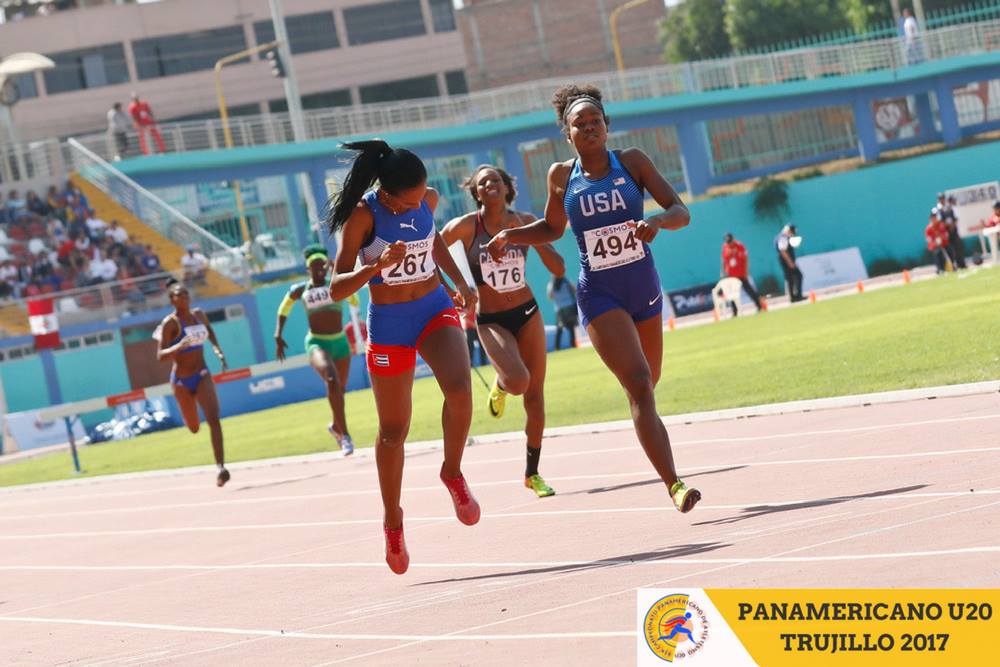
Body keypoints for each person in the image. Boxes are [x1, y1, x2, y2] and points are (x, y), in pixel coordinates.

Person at [486, 84, 701, 514]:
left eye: (595, 122)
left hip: (643, 286)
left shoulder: (633, 162)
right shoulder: (561, 176)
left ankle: (656, 449)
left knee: (647, 385)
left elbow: (681, 211)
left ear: (607, 125)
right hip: (600, 292)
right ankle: (675, 485)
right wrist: (512, 235)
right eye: (579, 124)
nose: (589, 128)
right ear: (566, 133)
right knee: (639, 383)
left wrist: (656, 222)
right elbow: (552, 228)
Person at [327, 139, 481, 575]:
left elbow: (432, 244)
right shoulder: (362, 217)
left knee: (459, 388)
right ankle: (393, 519)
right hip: (390, 323)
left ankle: (452, 472)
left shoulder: (425, 200)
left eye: (420, 199)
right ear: (387, 193)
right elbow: (337, 288)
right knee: (393, 431)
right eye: (404, 203)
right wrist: (374, 266)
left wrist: (459, 282)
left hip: (433, 307)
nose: (413, 207)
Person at [442, 164, 566, 498]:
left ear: (506, 186)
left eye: (495, 180)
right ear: (476, 193)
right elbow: (433, 249)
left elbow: (559, 267)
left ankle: (532, 473)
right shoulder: (467, 227)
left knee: (535, 395)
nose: (489, 186)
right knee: (517, 381)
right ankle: (500, 384)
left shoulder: (523, 221)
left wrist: (532, 239)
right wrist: (456, 286)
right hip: (492, 318)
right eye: (482, 183)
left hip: (527, 312)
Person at [274, 244, 355, 455]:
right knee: (331, 379)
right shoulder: (300, 290)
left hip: (340, 343)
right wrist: (278, 334)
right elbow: (283, 308)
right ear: (308, 269)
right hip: (317, 343)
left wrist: (337, 269)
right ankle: (345, 436)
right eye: (315, 265)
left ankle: (336, 427)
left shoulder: (336, 285)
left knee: (340, 390)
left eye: (323, 265)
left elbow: (354, 298)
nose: (320, 269)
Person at [156, 278, 230, 486]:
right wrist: (178, 346)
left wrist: (217, 350)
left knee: (214, 419)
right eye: (180, 294)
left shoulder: (198, 315)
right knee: (195, 427)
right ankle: (192, 420)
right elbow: (160, 355)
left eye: (186, 293)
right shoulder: (170, 324)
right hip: (181, 381)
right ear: (172, 300)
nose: (185, 297)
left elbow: (209, 330)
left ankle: (221, 467)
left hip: (201, 373)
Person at [720, 232, 762, 314]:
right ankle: (734, 312)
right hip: (731, 275)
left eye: (730, 241)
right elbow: (724, 261)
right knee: (731, 294)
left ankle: (759, 306)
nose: (729, 243)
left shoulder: (740, 246)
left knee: (749, 290)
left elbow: (746, 260)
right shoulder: (725, 247)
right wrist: (723, 272)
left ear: (733, 239)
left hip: (741, 273)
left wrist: (746, 272)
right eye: (728, 242)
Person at [775, 224, 803, 302]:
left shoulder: (785, 237)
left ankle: (794, 296)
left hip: (787, 260)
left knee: (791, 278)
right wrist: (790, 262)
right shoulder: (783, 237)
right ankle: (795, 296)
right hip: (786, 260)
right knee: (796, 276)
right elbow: (783, 251)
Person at [548, 275, 578, 350]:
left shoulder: (551, 284)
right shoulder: (566, 281)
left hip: (559, 308)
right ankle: (573, 345)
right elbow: (574, 290)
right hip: (569, 306)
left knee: (559, 328)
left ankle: (557, 347)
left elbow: (550, 296)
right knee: (571, 327)